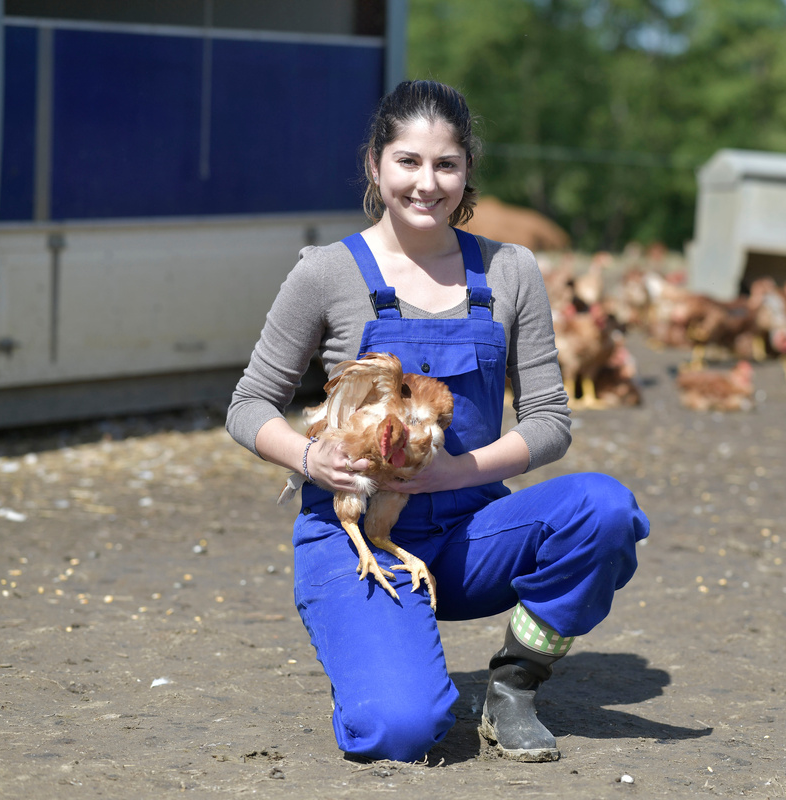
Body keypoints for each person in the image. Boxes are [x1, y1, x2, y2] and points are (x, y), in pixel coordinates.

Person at [226, 80, 649, 763]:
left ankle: (514, 684)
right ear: (375, 165)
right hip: (357, 536)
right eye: (408, 162)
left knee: (603, 511)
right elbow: (247, 406)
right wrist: (311, 461)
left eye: (446, 165)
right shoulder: (326, 272)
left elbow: (549, 420)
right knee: (402, 731)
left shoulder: (510, 271)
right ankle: (373, 671)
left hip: (470, 534)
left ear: (467, 173)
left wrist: (456, 471)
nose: (427, 183)